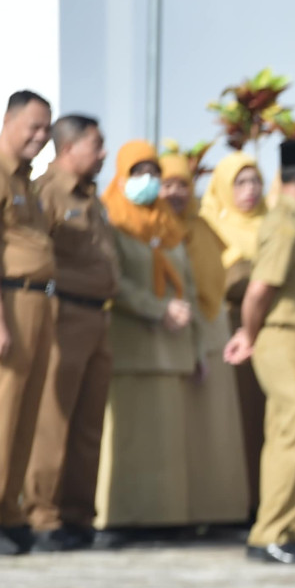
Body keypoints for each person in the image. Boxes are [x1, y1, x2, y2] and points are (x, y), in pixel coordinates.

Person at [226, 138, 295, 564]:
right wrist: (248, 336)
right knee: (293, 431)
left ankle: (293, 528)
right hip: (280, 336)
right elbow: (259, 290)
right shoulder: (287, 225)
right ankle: (269, 532)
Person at [92, 140, 199, 533]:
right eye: (139, 173)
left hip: (171, 352)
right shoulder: (113, 222)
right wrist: (158, 310)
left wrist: (197, 348)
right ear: (121, 176)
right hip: (131, 348)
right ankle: (121, 520)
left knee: (164, 446)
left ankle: (162, 520)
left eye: (154, 173)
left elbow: (186, 285)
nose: (148, 182)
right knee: (128, 443)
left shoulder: (168, 224)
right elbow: (113, 283)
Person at [25, 115, 116, 551]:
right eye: (96, 145)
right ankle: (44, 516)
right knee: (53, 420)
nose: (102, 154)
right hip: (64, 314)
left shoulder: (92, 197)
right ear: (69, 148)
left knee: (87, 424)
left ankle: (79, 517)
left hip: (98, 318)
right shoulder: (48, 193)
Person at [0, 90, 57, 557]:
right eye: (32, 126)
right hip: (5, 303)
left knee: (26, 413)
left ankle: (10, 511)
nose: (40, 136)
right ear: (9, 121)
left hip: (37, 303)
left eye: (46, 128)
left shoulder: (27, 180)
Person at [160, 149, 250, 527]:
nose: (177, 192)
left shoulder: (201, 227)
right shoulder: (158, 229)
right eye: (169, 184)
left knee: (215, 431)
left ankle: (218, 512)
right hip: (177, 332)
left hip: (213, 330)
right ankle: (181, 513)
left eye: (183, 184)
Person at [202, 153, 269, 517]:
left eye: (255, 181)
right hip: (230, 329)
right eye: (239, 182)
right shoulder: (210, 224)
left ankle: (264, 501)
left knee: (266, 420)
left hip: (270, 333)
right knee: (236, 419)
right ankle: (237, 503)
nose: (250, 190)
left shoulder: (272, 221)